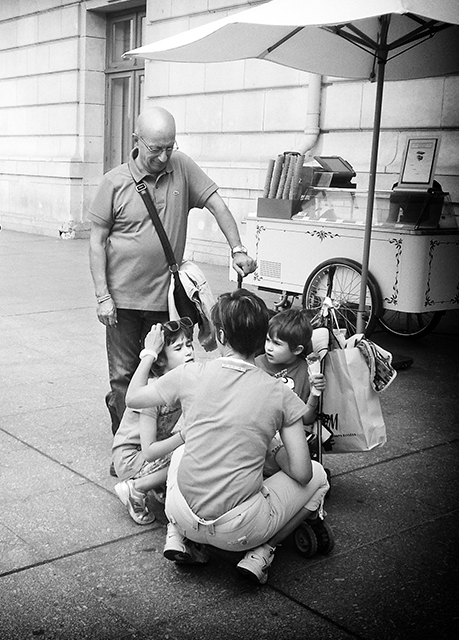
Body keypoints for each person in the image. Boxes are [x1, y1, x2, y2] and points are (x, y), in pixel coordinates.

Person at [126, 289, 330, 585]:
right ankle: (263, 552)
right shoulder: (280, 393)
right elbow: (301, 472)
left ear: (221, 336)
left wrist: (149, 353)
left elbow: (133, 397)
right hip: (240, 532)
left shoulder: (190, 373)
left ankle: (179, 536)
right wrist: (271, 451)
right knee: (319, 477)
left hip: (181, 511)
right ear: (262, 339)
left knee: (183, 448)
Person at [88, 106, 257, 443]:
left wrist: (237, 248)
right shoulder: (115, 181)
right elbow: (96, 241)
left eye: (170, 147)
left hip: (168, 298)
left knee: (171, 370)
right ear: (137, 141)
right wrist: (102, 297)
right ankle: (129, 446)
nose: (164, 157)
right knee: (123, 374)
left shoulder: (182, 166)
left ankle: (164, 438)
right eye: (156, 149)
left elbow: (218, 206)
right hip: (122, 301)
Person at [112, 318, 194, 526]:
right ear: (161, 361)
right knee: (193, 451)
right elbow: (149, 452)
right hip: (132, 458)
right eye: (178, 348)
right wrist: (185, 437)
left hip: (148, 453)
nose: (188, 351)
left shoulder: (182, 382)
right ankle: (136, 488)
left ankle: (160, 484)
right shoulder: (152, 393)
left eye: (189, 344)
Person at [255, 309, 325, 475]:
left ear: (297, 350)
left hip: (286, 440)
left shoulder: (305, 371)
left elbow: (306, 419)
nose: (269, 348)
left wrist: (314, 394)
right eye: (267, 340)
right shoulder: (256, 364)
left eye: (277, 344)